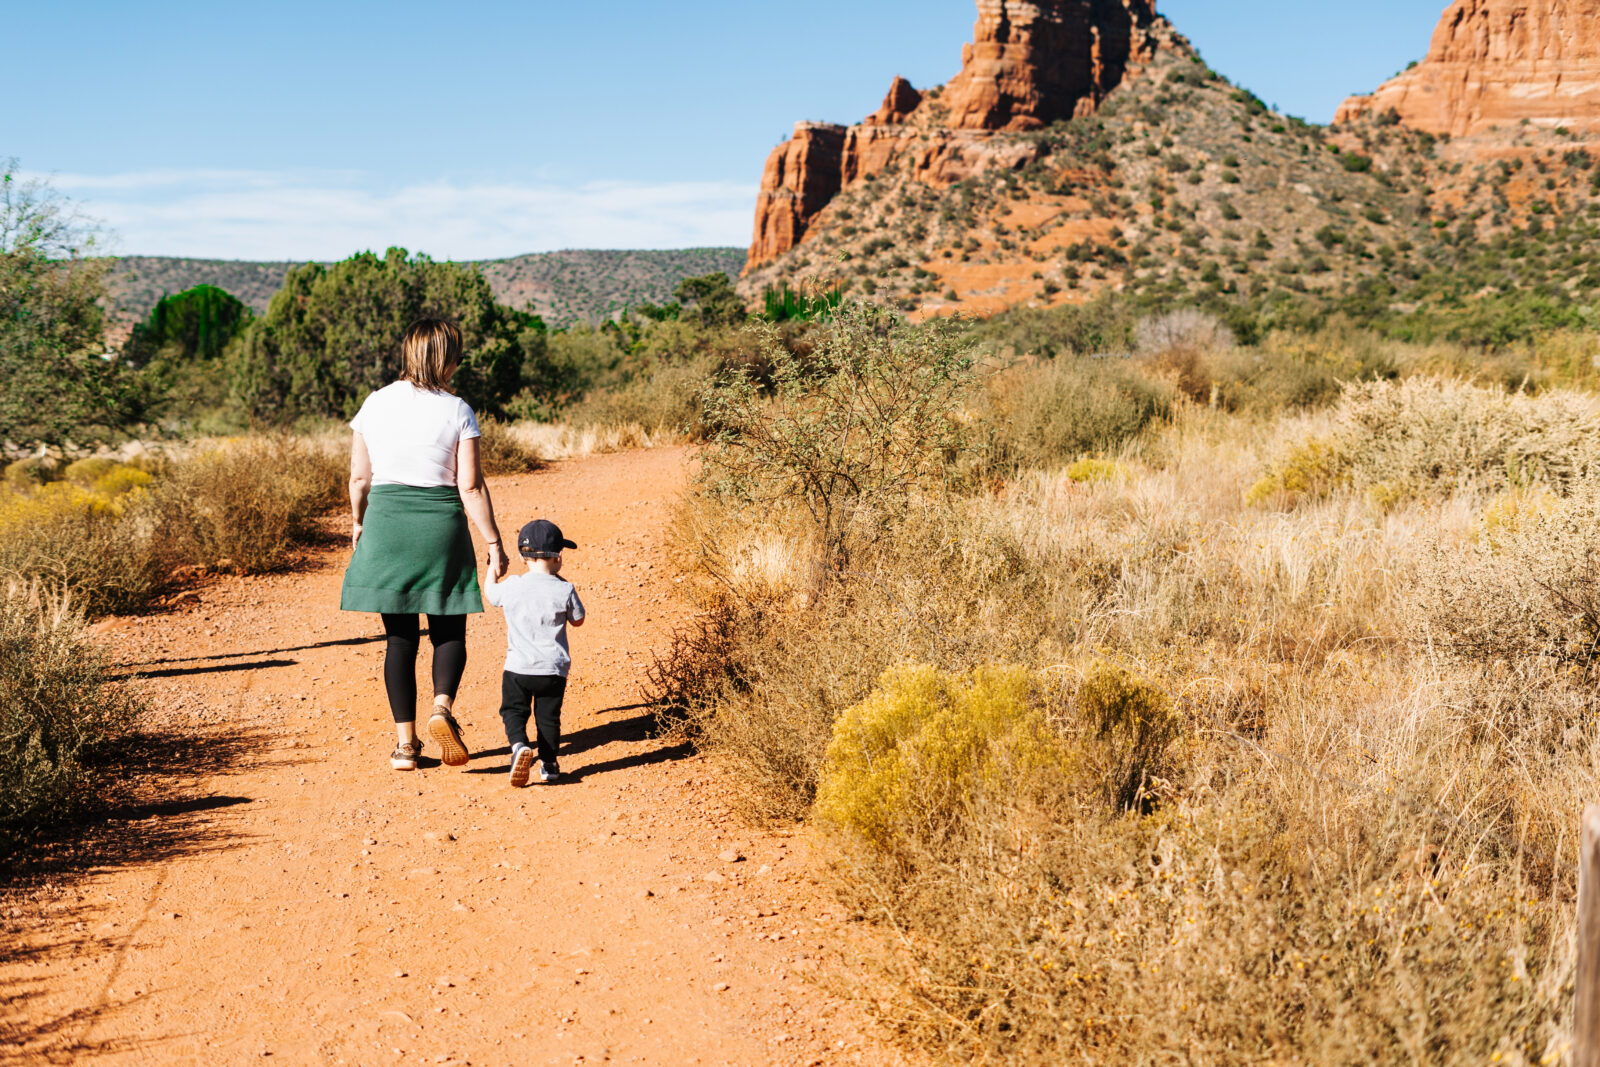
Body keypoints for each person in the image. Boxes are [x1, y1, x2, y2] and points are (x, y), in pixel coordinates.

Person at [340, 318, 509, 771]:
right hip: (440, 525)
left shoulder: (374, 404)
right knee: (449, 628)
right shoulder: (458, 409)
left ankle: (405, 746)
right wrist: (493, 541)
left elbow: (360, 478)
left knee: (399, 638)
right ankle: (442, 708)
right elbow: (470, 487)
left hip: (387, 522)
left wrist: (359, 523)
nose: (459, 362)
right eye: (457, 353)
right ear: (444, 358)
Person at [486, 519, 586, 786]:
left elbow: (491, 594)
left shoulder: (512, 585)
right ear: (559, 557)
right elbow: (578, 620)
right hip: (553, 670)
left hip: (518, 667)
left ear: (522, 557)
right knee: (548, 718)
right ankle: (550, 763)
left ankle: (519, 745)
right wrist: (560, 582)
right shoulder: (564, 588)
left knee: (513, 711)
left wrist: (492, 571)